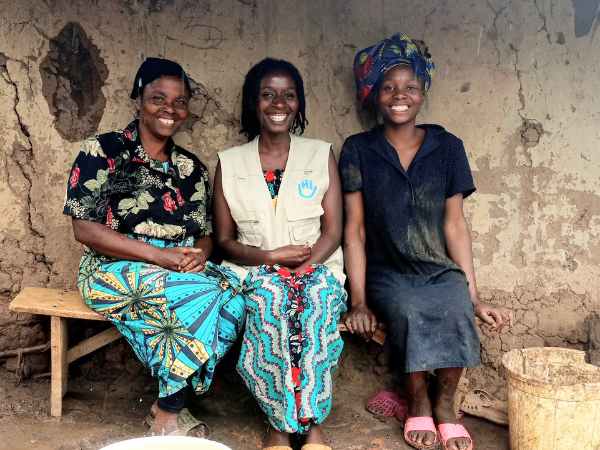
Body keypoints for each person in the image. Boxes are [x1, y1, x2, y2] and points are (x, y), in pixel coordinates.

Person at [340, 34, 511, 450]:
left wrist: (474, 296)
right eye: (389, 87)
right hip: (388, 272)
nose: (400, 96)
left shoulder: (448, 148)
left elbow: (455, 225)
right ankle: (417, 401)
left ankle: (446, 405)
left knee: (455, 307)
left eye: (410, 87)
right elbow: (355, 230)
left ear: (423, 93)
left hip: (438, 268)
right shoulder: (358, 149)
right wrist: (358, 299)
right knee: (412, 310)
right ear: (373, 95)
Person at [63, 57, 245, 436]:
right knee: (200, 296)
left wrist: (200, 256)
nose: (170, 109)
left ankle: (168, 396)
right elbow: (85, 229)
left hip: (178, 267)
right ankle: (169, 411)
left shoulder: (191, 168)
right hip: (110, 267)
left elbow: (205, 232)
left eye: (179, 102)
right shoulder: (104, 151)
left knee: (237, 301)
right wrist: (160, 257)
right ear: (138, 99)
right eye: (158, 98)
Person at [213, 58, 346, 450]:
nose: (279, 103)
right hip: (254, 271)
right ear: (254, 103)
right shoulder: (230, 162)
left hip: (317, 267)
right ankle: (280, 425)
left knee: (316, 304)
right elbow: (224, 241)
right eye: (268, 94)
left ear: (299, 103)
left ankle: (313, 425)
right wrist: (271, 257)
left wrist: (305, 266)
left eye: (289, 95)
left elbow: (334, 231)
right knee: (272, 305)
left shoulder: (320, 154)